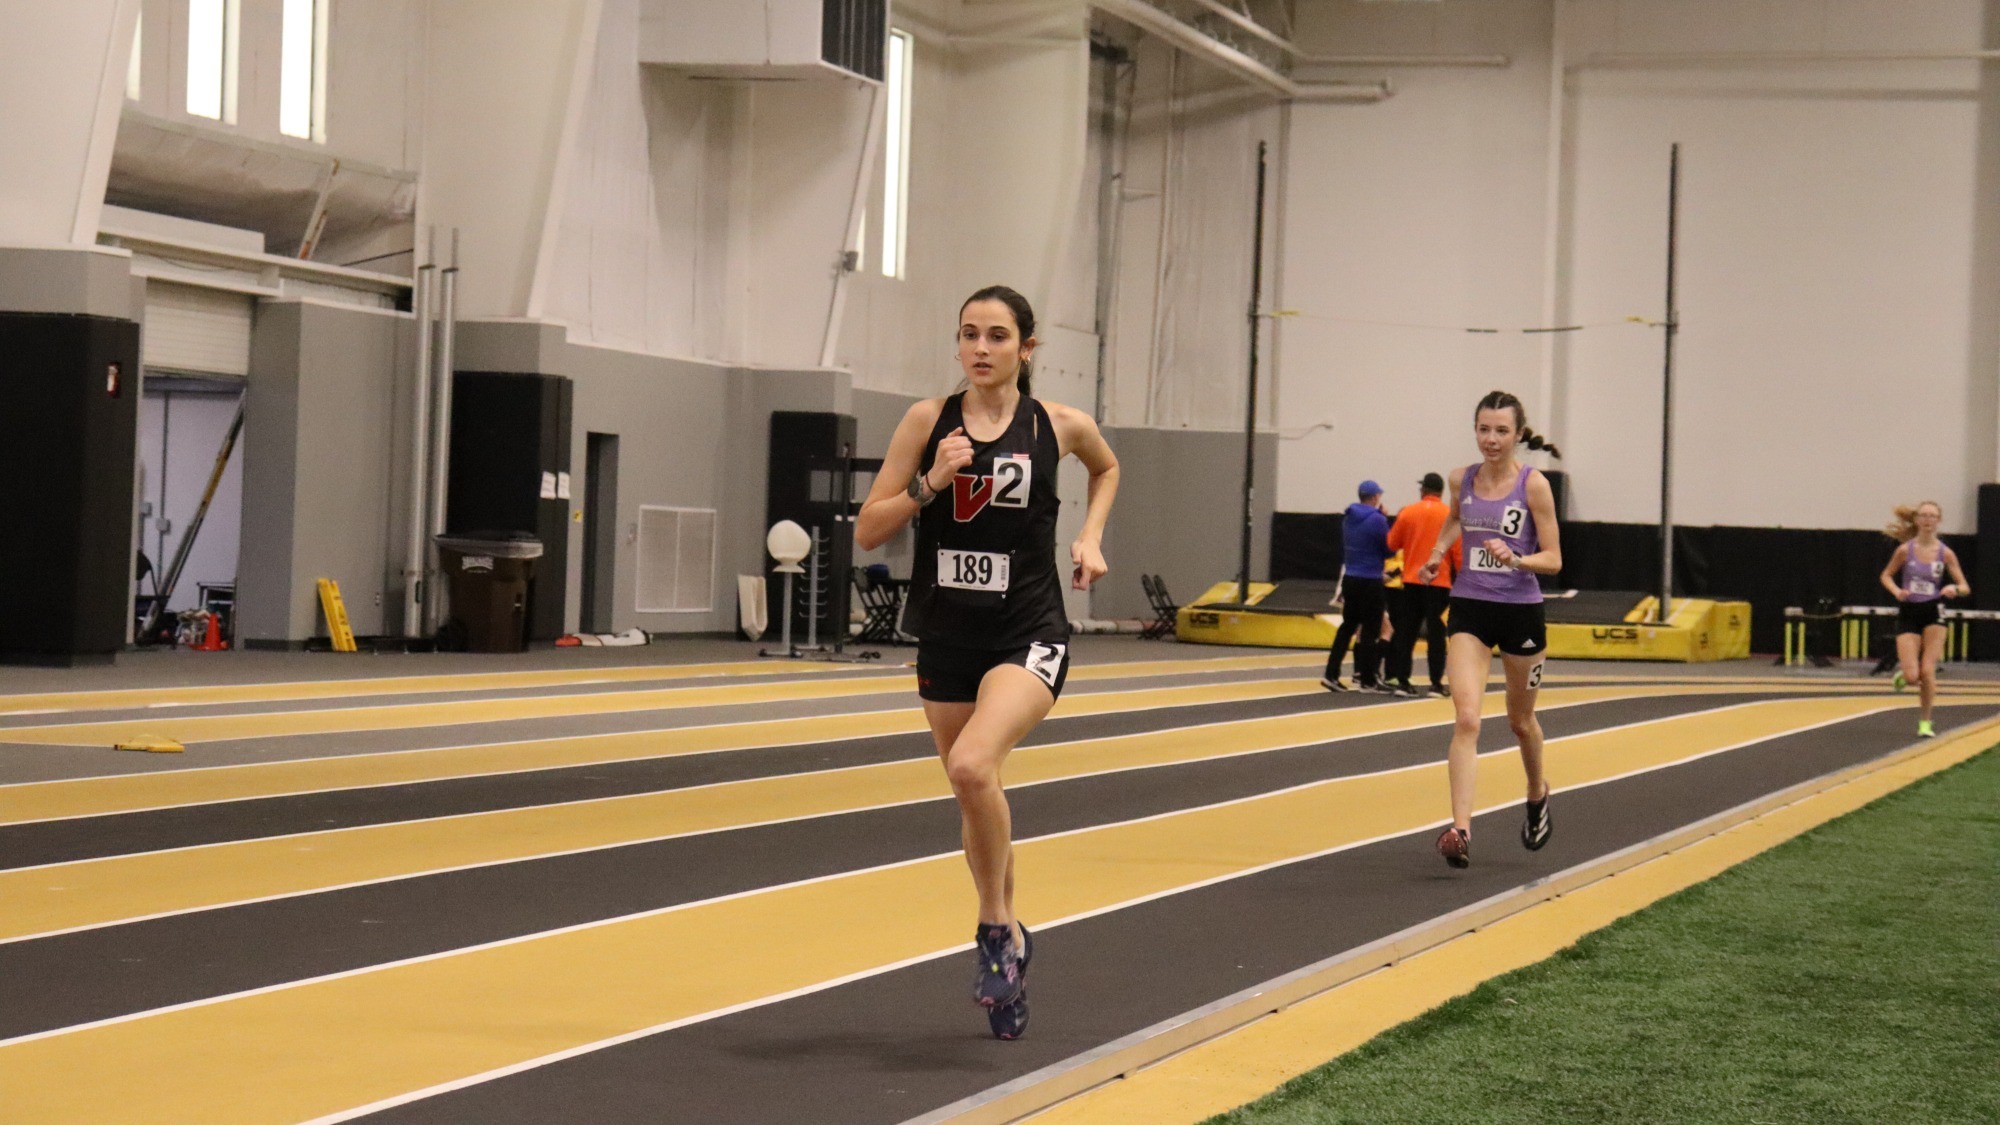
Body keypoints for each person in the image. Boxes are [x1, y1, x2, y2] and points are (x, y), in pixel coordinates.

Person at [854, 285, 1120, 1039]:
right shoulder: (924, 420)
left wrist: (1091, 535)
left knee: (973, 766)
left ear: (1025, 348)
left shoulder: (1060, 426)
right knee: (978, 792)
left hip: (1028, 630)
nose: (980, 347)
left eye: (997, 335)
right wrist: (931, 482)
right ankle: (1010, 950)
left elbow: (1107, 469)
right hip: (946, 632)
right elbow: (871, 529)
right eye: (968, 333)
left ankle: (996, 930)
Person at [1416, 391, 1563, 869]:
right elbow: (1458, 520)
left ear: (1518, 434)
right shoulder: (1463, 479)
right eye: (1483, 429)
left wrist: (1518, 558)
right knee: (1467, 719)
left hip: (1521, 612)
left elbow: (1555, 561)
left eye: (1501, 430)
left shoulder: (1534, 485)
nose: (1491, 439)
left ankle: (1537, 794)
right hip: (1471, 607)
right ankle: (1460, 829)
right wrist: (1438, 553)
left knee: (1520, 722)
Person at [1878, 501, 1970, 738]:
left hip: (1934, 611)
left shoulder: (1945, 553)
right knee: (1912, 677)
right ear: (1917, 520)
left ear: (1938, 520)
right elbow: (1886, 575)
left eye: (1933, 516)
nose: (1928, 520)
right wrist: (1897, 591)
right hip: (1909, 611)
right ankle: (1904, 675)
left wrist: (1954, 589)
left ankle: (1925, 723)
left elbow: (1965, 586)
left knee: (1927, 671)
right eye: (1924, 515)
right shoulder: (1905, 551)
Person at [1385, 472, 1460, 697]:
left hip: (1412, 580)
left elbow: (1392, 543)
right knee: (1437, 634)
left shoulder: (1408, 512)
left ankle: (1403, 681)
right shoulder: (1449, 514)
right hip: (1439, 581)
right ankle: (1436, 683)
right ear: (1441, 492)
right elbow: (1457, 551)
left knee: (1406, 632)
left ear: (1423, 490)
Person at [1322, 480, 1390, 692]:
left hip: (1350, 578)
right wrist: (1385, 519)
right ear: (1375, 497)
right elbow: (1388, 549)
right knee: (1370, 630)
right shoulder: (1378, 520)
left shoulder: (1348, 517)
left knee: (1347, 627)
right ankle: (1367, 679)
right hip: (1370, 579)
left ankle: (1331, 673)